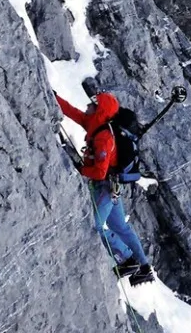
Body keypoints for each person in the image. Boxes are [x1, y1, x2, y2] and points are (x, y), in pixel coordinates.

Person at [54, 91, 154, 286]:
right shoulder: (94, 124)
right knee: (121, 228)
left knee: (95, 226)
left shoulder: (104, 137)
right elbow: (71, 112)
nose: (87, 107)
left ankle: (128, 260)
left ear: (100, 110)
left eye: (93, 105)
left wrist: (81, 170)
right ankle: (143, 267)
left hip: (105, 187)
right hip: (111, 187)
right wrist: (54, 96)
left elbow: (99, 172)